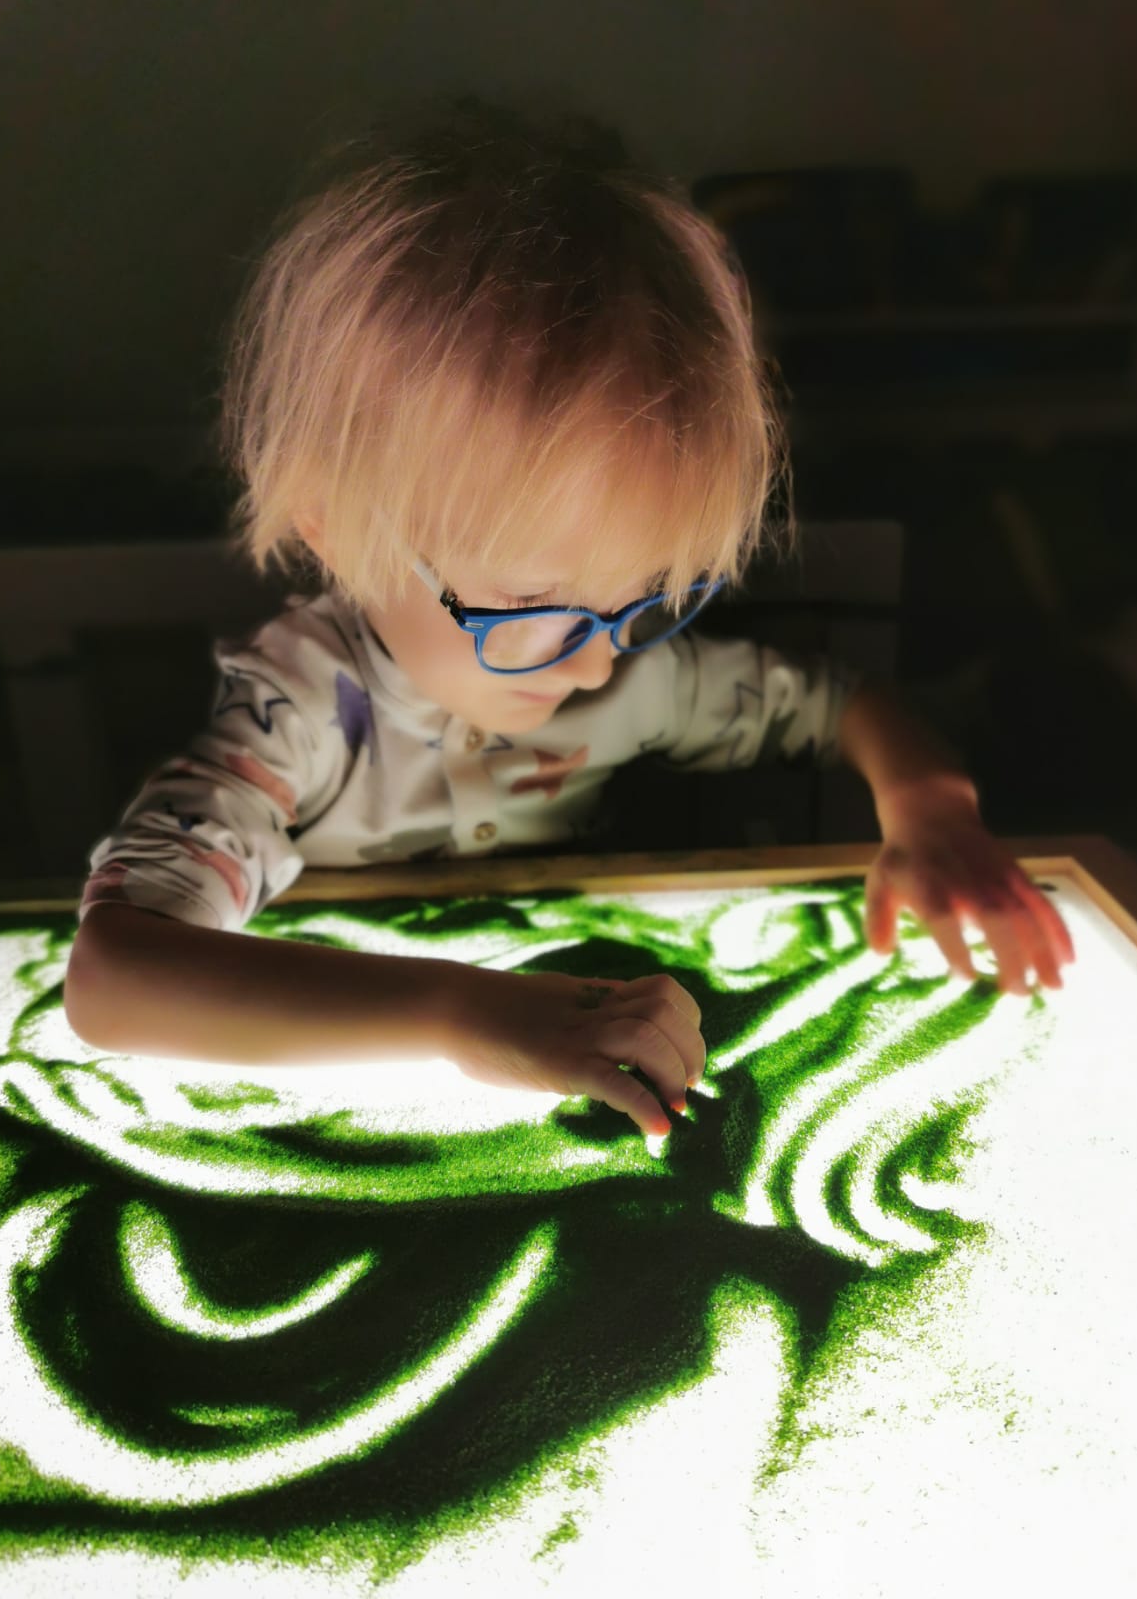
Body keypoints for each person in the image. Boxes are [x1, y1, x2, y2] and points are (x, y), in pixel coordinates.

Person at [64, 96, 1074, 1138]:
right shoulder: (304, 712)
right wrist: (462, 1015)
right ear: (337, 531)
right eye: (526, 605)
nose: (596, 668)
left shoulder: (628, 670)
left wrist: (933, 812)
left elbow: (844, 704)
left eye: (640, 596)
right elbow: (112, 978)